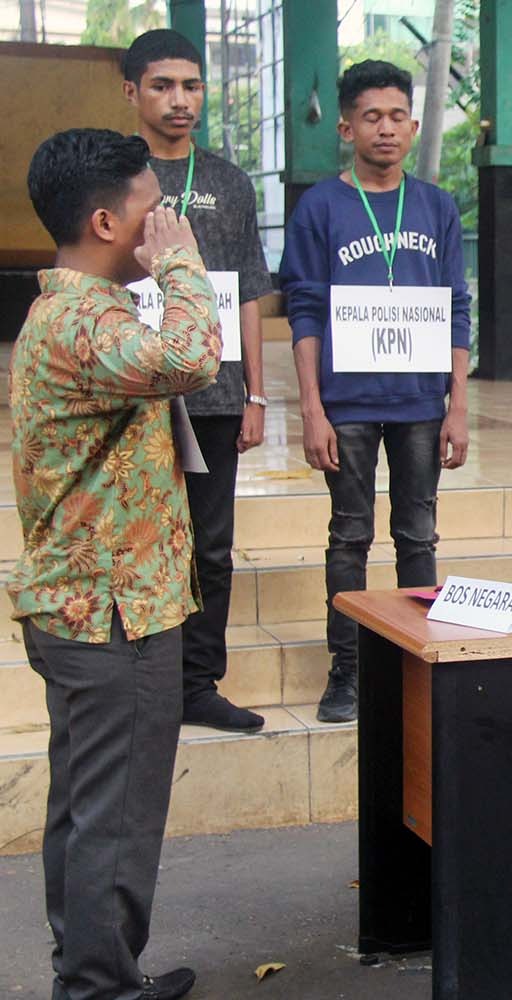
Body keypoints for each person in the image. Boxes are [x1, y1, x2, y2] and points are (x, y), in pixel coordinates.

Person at [11, 127, 222, 1000]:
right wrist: (184, 267)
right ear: (106, 222)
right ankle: (99, 989)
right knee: (116, 819)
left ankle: (95, 971)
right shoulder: (84, 320)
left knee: (85, 811)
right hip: (113, 613)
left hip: (89, 605)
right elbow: (192, 358)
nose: (167, 221)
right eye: (152, 210)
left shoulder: (65, 312)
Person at [280, 60, 470, 723]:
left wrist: (458, 407)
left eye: (396, 116)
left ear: (414, 126)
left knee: (418, 536)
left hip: (420, 403)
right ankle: (349, 671)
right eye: (371, 117)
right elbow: (303, 310)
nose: (385, 129)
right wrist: (311, 408)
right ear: (346, 126)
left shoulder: (437, 207)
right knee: (349, 537)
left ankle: (417, 658)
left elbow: (457, 310)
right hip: (348, 404)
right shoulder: (321, 208)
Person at [122, 28, 273, 733]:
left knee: (210, 545)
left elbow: (247, 292)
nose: (180, 100)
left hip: (213, 394)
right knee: (140, 538)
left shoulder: (229, 183)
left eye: (191, 85)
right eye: (162, 85)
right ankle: (137, 685)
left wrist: (257, 393)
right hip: (130, 391)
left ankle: (196, 684)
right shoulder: (113, 175)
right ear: (132, 92)